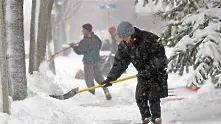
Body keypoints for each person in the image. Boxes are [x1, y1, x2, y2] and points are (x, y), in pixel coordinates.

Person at [101, 21, 168, 124]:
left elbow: (159, 58)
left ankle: (156, 119)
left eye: (125, 37)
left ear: (132, 34)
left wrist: (149, 70)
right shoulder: (124, 45)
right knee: (140, 96)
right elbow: (120, 63)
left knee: (153, 96)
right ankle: (145, 118)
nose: (123, 40)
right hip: (142, 74)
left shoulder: (149, 39)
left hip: (156, 72)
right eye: (122, 38)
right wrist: (111, 78)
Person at [69, 23, 112, 100]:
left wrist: (73, 46)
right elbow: (99, 45)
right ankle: (106, 90)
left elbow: (79, 51)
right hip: (96, 60)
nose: (82, 31)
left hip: (88, 62)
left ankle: (92, 95)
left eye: (83, 29)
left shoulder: (85, 41)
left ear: (87, 30)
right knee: (99, 77)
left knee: (89, 79)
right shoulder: (96, 38)